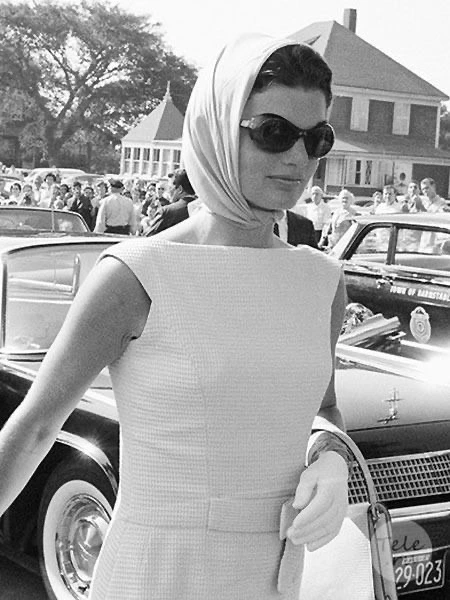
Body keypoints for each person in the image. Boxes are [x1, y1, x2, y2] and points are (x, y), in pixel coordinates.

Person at [0, 34, 350, 599]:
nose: (298, 158)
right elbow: (37, 425)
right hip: (156, 575)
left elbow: (324, 410)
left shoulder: (322, 281)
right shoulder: (135, 274)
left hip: (274, 578)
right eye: (274, 132)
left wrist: (332, 458)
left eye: (317, 139)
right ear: (218, 129)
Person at [145, 168, 197, 236]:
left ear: (180, 189)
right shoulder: (205, 208)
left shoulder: (166, 212)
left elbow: (149, 238)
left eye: (170, 188)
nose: (168, 191)